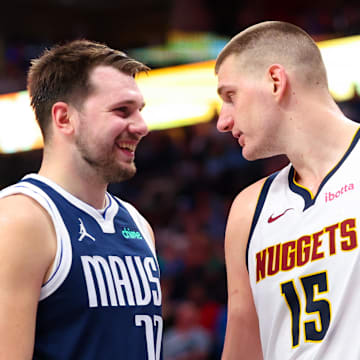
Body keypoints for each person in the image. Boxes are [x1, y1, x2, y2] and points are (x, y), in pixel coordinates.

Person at [0, 40, 162, 359]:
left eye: (139, 111)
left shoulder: (138, 224)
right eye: (122, 110)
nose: (142, 127)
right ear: (64, 118)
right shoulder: (19, 220)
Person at [215, 20, 360, 359]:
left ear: (276, 82)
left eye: (230, 96)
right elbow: (243, 348)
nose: (222, 120)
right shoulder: (248, 210)